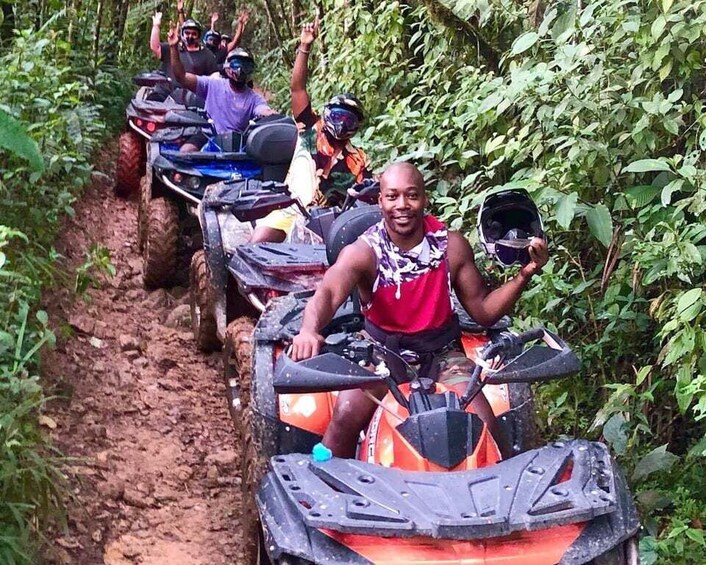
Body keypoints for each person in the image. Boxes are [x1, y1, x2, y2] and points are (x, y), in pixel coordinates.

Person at [290, 162, 549, 458]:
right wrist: (309, 330)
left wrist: (525, 274)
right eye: (392, 196)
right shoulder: (364, 252)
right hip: (381, 354)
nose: (402, 205)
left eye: (412, 196)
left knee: (486, 426)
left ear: (425, 199)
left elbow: (484, 312)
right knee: (344, 419)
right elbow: (327, 292)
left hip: (442, 354)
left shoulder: (450, 246)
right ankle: (335, 493)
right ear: (380, 201)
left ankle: (505, 490)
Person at [249, 18, 372, 244]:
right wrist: (305, 46)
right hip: (291, 209)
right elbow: (298, 88)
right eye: (337, 115)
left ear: (356, 126)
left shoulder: (359, 159)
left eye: (349, 119)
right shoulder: (310, 130)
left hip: (331, 222)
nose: (342, 123)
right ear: (327, 115)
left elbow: (367, 195)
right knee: (259, 242)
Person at [168, 23, 275, 152]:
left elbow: (264, 111)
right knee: (184, 154)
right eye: (235, 64)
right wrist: (173, 47)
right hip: (208, 135)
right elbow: (181, 77)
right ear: (227, 68)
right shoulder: (212, 84)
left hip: (238, 141)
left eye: (245, 65)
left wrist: (275, 117)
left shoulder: (254, 98)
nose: (240, 70)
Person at [149, 7, 217, 89]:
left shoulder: (206, 54)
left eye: (193, 34)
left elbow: (213, 77)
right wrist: (156, 26)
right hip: (166, 94)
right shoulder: (172, 48)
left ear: (198, 36)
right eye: (187, 33)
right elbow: (155, 47)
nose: (190, 36)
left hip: (192, 98)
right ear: (182, 34)